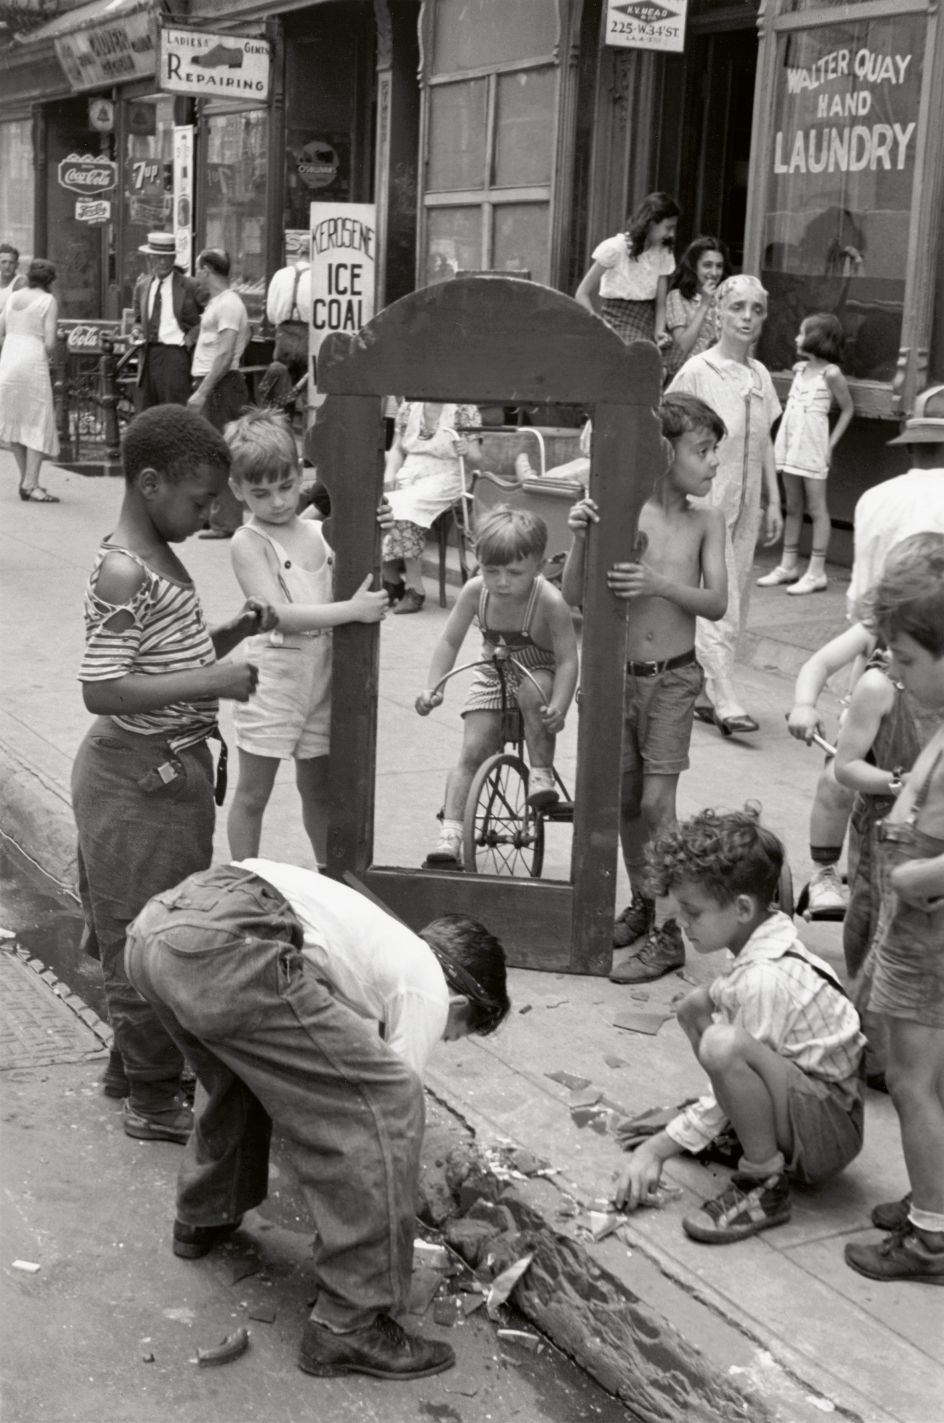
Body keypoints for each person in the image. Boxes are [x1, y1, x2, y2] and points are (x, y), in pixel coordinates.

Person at [123, 858, 510, 1379]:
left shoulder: (367, 939)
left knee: (239, 1073)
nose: (448, 1036)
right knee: (390, 1101)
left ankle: (204, 1216)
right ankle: (350, 1326)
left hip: (159, 930)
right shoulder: (428, 988)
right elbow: (387, 1106)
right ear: (460, 1001)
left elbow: (325, 1063)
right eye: (459, 1031)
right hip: (227, 943)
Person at [71, 405, 277, 1144]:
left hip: (163, 773)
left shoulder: (154, 554)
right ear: (150, 483)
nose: (211, 513)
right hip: (136, 778)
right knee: (144, 938)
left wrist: (231, 635)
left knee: (148, 925)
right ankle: (153, 1097)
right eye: (200, 501)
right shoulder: (126, 567)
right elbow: (102, 687)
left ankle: (135, 1066)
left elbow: (162, 658)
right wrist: (217, 682)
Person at [614, 807, 865, 1243]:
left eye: (692, 912)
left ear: (743, 907)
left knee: (721, 1045)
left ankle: (763, 1182)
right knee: (694, 1006)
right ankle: (742, 1131)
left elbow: (734, 1054)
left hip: (828, 1133)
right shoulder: (758, 940)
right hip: (807, 1103)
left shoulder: (764, 977)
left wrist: (661, 1147)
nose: (680, 923)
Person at [562, 394, 728, 981]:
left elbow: (716, 601)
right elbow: (574, 596)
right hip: (617, 679)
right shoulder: (621, 511)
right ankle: (644, 899)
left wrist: (659, 584)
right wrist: (581, 535)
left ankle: (670, 931)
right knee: (628, 801)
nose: (712, 464)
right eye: (702, 450)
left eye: (714, 452)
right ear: (664, 453)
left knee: (659, 803)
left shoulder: (706, 520)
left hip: (675, 679)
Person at [785, 389, 944, 918]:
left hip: (881, 647)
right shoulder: (891, 661)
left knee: (838, 780)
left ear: (909, 448)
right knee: (846, 775)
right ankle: (834, 875)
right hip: (893, 656)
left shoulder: (874, 497)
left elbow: (858, 606)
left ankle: (827, 875)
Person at [225, 407, 389, 866]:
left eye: (285, 486)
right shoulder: (248, 541)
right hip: (274, 679)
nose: (277, 501)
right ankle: (243, 877)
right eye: (260, 492)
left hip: (322, 678)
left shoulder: (320, 532)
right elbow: (274, 614)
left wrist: (377, 523)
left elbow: (362, 564)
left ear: (301, 473)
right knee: (254, 792)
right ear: (237, 489)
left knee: (318, 789)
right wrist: (352, 612)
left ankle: (328, 873)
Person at [844, 533, 944, 1285]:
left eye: (908, 660)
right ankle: (933, 1200)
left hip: (930, 926)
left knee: (911, 1082)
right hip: (915, 920)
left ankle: (933, 1239)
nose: (898, 676)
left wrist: (916, 878)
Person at [416, 506, 579, 867]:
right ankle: (451, 835)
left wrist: (561, 708)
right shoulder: (476, 593)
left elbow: (568, 659)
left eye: (514, 572)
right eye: (491, 571)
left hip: (539, 670)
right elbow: (449, 641)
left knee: (532, 690)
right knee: (473, 748)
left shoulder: (550, 602)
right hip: (493, 672)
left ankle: (540, 774)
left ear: (538, 565)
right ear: (479, 563)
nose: (502, 581)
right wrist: (433, 688)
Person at [668, 275, 784, 735]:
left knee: (738, 592)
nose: (747, 318)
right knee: (722, 592)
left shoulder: (759, 376)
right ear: (718, 313)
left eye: (756, 309)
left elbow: (765, 444)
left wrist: (774, 501)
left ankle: (701, 687)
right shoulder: (699, 371)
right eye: (737, 307)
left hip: (747, 502)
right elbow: (671, 429)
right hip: (709, 498)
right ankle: (725, 695)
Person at [833, 633, 940, 1086]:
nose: (893, 664)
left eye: (907, 656)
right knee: (870, 924)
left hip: (920, 857)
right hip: (884, 828)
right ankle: (872, 1049)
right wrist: (903, 786)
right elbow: (846, 766)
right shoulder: (881, 687)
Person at [759, 312, 853, 596]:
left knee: (817, 508)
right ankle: (788, 565)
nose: (796, 337)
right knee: (794, 506)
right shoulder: (800, 369)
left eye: (801, 332)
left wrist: (830, 445)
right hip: (791, 444)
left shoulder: (832, 374)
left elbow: (848, 409)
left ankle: (816, 572)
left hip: (813, 447)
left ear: (816, 338)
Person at [381, 400, 482, 614]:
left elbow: (477, 459)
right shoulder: (408, 407)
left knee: (406, 506)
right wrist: (389, 477)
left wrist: (467, 450)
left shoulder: (464, 409)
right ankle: (391, 581)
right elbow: (397, 448)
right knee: (379, 502)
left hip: (449, 475)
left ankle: (415, 588)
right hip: (411, 471)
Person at [188, 247, 251, 539]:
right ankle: (212, 514)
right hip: (215, 382)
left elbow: (225, 353)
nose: (196, 275)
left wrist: (203, 390)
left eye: (199, 269)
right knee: (207, 452)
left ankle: (226, 520)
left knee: (220, 452)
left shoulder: (229, 304)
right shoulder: (220, 302)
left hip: (220, 385)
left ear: (206, 270)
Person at [575, 191, 679, 348]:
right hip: (618, 319)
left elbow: (660, 302)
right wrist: (598, 329)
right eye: (668, 228)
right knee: (640, 355)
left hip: (647, 319)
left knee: (676, 356)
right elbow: (581, 293)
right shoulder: (616, 248)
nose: (671, 234)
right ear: (651, 223)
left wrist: (659, 332)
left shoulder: (663, 252)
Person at [0, 257, 60, 503]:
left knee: (15, 421)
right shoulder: (48, 300)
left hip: (9, 359)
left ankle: (26, 480)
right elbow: (49, 342)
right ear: (50, 281)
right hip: (32, 361)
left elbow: (1, 330)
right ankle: (32, 484)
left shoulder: (13, 297)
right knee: (37, 420)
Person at [131, 232, 203, 409]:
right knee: (148, 412)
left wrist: (192, 336)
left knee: (175, 411)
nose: (163, 262)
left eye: (168, 258)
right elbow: (138, 320)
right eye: (158, 258)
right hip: (148, 356)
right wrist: (136, 331)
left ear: (174, 258)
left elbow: (213, 313)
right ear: (149, 259)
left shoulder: (189, 285)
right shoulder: (142, 286)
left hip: (175, 356)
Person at [662, 236, 730, 382]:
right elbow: (682, 347)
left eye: (719, 266)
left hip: (719, 376)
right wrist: (705, 304)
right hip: (687, 377)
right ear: (694, 266)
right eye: (707, 265)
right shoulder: (677, 297)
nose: (714, 272)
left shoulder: (727, 299)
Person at [260, 232, 311, 412]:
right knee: (308, 392)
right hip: (308, 337)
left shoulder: (280, 275)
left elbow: (272, 314)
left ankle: (282, 427)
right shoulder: (319, 277)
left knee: (282, 390)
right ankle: (306, 431)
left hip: (284, 337)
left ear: (299, 252)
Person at [0, 241, 26, 317]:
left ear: (17, 265)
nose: (7, 266)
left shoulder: (22, 283)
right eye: (3, 262)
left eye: (11, 263)